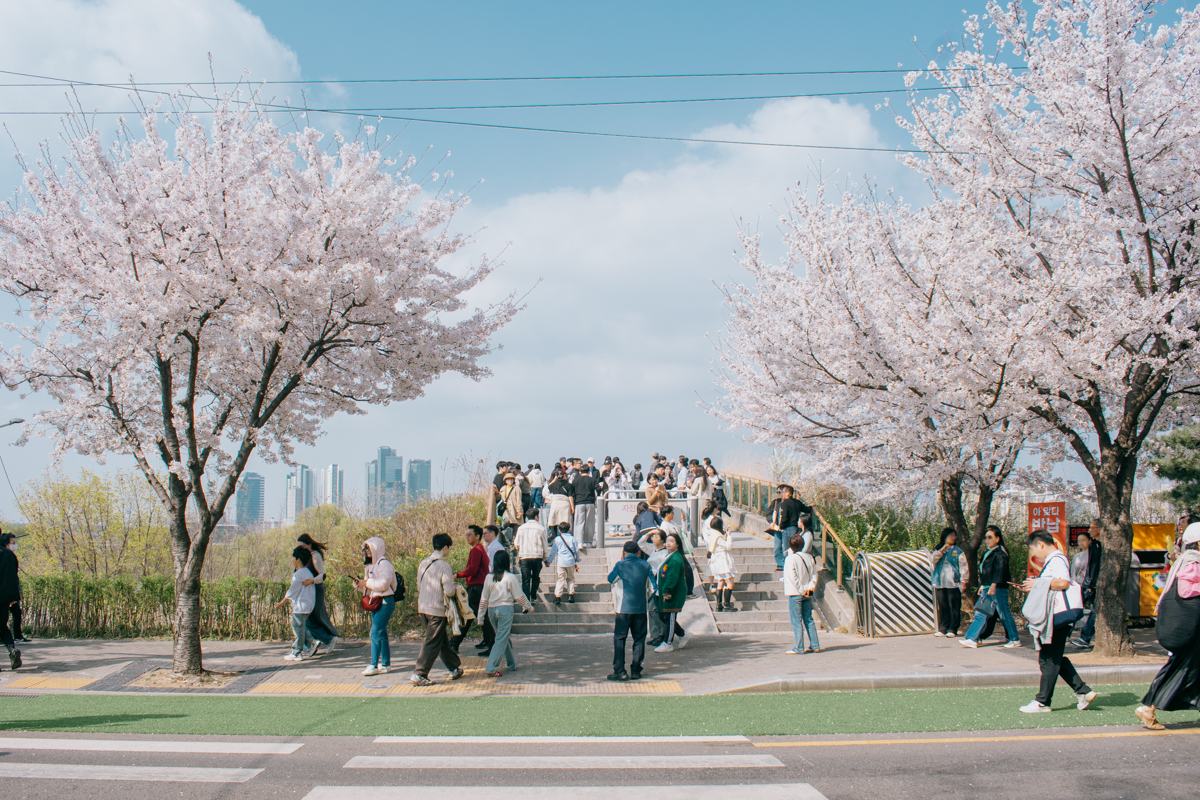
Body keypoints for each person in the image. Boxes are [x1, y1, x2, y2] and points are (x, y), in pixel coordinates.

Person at [1017, 529, 1096, 713]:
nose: (1033, 554)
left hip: (1058, 616)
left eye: (1033, 549)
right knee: (1053, 657)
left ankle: (1043, 701)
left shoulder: (1057, 559)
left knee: (1049, 658)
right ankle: (1083, 691)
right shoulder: (1055, 560)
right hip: (1056, 616)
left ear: (1041, 545)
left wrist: (1037, 584)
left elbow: (1063, 583)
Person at [1136, 522, 1200, 729]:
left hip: (1188, 631)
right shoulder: (1193, 566)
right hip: (1190, 632)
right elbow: (1191, 599)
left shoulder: (1184, 562)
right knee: (1181, 669)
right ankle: (1148, 707)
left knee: (1187, 669)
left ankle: (1149, 707)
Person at [411, 533, 465, 686]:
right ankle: (419, 674)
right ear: (445, 547)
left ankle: (454, 667)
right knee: (432, 642)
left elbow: (418, 585)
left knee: (441, 640)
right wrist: (456, 587)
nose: (449, 551)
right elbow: (449, 591)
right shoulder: (444, 566)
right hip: (437, 609)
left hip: (423, 607)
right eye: (449, 548)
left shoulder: (423, 562)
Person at [960, 525, 1021, 648]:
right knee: (981, 613)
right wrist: (983, 585)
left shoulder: (1000, 553)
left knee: (1004, 613)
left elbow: (1000, 570)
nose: (987, 540)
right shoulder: (989, 552)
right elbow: (985, 571)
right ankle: (972, 638)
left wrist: (993, 585)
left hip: (997, 588)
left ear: (997, 539)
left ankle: (1014, 639)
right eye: (986, 538)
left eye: (990, 537)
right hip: (988, 587)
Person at [477, 550, 533, 677]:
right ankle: (491, 667)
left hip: (491, 610)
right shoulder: (510, 577)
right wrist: (528, 606)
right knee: (501, 638)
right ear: (507, 562)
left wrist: (480, 617)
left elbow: (484, 599)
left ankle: (511, 663)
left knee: (502, 636)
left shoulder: (488, 577)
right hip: (506, 610)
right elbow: (519, 596)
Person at [608, 540, 657, 681]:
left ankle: (620, 671)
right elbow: (654, 588)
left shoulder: (620, 565)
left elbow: (611, 579)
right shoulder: (645, 565)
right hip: (640, 609)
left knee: (619, 639)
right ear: (639, 552)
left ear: (624, 552)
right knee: (639, 639)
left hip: (623, 609)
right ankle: (636, 670)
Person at [355, 536, 397, 676]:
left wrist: (366, 583)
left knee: (375, 632)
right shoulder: (371, 565)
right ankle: (385, 664)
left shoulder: (384, 564)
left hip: (385, 601)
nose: (366, 552)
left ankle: (373, 665)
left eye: (369, 549)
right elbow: (371, 586)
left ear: (376, 548)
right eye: (365, 549)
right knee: (381, 632)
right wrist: (360, 584)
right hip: (377, 601)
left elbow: (383, 584)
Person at [296, 533, 338, 653]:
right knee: (311, 618)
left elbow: (322, 575)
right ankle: (316, 641)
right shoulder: (309, 556)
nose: (301, 547)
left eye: (302, 545)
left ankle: (327, 639)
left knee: (308, 619)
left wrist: (312, 581)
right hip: (310, 590)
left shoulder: (315, 556)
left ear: (308, 544)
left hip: (316, 590)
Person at [275, 546, 317, 662]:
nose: (292, 560)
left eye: (293, 558)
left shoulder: (298, 574)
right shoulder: (307, 572)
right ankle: (312, 642)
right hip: (308, 605)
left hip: (301, 606)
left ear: (298, 560)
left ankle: (296, 652)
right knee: (301, 627)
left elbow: (291, 592)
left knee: (297, 628)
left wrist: (281, 603)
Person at [451, 525, 489, 653]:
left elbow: (472, 569)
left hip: (476, 588)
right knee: (480, 615)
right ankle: (491, 643)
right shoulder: (479, 549)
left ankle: (454, 643)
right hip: (479, 587)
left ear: (477, 536)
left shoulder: (476, 550)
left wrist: (457, 574)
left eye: (470, 535)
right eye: (466, 535)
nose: (467, 537)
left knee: (468, 615)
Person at [783, 531, 821, 654]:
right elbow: (814, 575)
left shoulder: (790, 559)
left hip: (795, 593)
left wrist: (800, 590)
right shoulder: (809, 557)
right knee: (808, 619)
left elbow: (792, 577)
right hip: (807, 591)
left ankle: (799, 647)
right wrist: (808, 590)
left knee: (796, 621)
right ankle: (815, 645)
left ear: (791, 546)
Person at [654, 532, 689, 653]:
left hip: (672, 593)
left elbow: (672, 577)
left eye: (672, 541)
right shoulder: (669, 556)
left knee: (670, 617)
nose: (668, 543)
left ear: (678, 544)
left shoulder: (675, 559)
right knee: (665, 616)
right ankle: (682, 634)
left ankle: (668, 643)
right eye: (667, 541)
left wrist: (667, 591)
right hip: (663, 591)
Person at [930, 528, 968, 637]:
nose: (953, 537)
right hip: (940, 582)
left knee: (954, 606)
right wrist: (942, 549)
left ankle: (953, 628)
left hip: (954, 583)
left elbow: (963, 566)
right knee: (943, 605)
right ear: (944, 537)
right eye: (951, 535)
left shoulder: (958, 551)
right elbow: (932, 560)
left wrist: (964, 581)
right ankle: (943, 628)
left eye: (954, 535)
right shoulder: (938, 549)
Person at [1070, 526, 1103, 649]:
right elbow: (1073, 573)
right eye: (1079, 540)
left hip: (1089, 586)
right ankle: (1070, 634)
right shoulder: (1077, 556)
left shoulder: (1096, 551)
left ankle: (1085, 637)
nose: (1081, 543)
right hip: (1080, 586)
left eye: (1083, 540)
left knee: (1095, 612)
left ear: (1089, 541)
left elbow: (1093, 569)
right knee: (1075, 611)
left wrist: (1089, 584)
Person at [765, 485, 803, 571]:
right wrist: (772, 523)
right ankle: (781, 564)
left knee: (788, 547)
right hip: (777, 529)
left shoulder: (794, 502)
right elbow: (768, 513)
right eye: (778, 492)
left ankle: (788, 565)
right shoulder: (776, 502)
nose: (779, 494)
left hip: (788, 528)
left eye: (781, 492)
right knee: (777, 547)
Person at [706, 516, 739, 612]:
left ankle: (719, 605)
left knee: (720, 582)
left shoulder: (712, 534)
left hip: (717, 561)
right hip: (723, 561)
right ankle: (727, 605)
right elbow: (728, 546)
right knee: (730, 583)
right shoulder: (718, 536)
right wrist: (729, 535)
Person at [514, 512, 548, 602]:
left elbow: (516, 543)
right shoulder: (541, 528)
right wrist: (545, 558)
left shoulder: (521, 528)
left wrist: (520, 550)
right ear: (536, 516)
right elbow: (545, 544)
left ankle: (526, 601)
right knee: (536, 577)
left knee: (525, 579)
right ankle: (533, 596)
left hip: (524, 557)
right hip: (537, 556)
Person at [0, 532, 22, 669]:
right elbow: (13, 577)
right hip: (5, 597)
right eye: (12, 542)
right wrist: (14, 597)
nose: (14, 545)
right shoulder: (10, 556)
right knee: (2, 624)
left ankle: (12, 650)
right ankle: (12, 649)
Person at [545, 521, 580, 605]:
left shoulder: (557, 539)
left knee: (560, 579)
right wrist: (577, 560)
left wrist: (549, 561)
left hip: (561, 563)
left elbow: (553, 552)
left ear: (559, 530)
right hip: (571, 562)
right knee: (570, 578)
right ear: (569, 529)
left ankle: (558, 597)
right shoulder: (572, 539)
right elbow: (576, 551)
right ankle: (571, 595)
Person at [570, 463, 599, 549]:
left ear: (580, 471)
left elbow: (572, 492)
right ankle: (589, 542)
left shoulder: (576, 480)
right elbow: (598, 489)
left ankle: (579, 542)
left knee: (579, 523)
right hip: (590, 503)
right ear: (588, 471)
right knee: (589, 523)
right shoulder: (592, 479)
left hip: (579, 503)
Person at [497, 472, 525, 545]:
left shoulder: (517, 488)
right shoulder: (503, 489)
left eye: (511, 479)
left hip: (515, 510)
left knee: (516, 528)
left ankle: (514, 545)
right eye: (508, 479)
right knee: (505, 523)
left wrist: (519, 512)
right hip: (506, 510)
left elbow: (519, 501)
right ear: (505, 481)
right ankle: (507, 541)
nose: (510, 481)